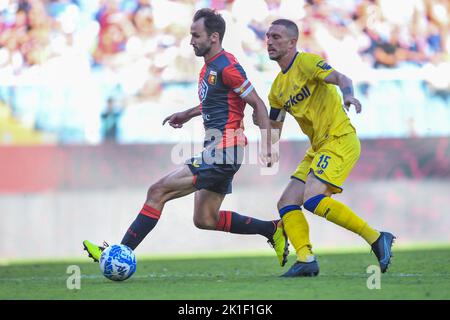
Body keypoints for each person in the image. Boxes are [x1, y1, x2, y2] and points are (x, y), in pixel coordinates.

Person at [83, 9, 289, 268]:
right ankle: (272, 229)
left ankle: (117, 256)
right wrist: (187, 113)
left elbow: (257, 102)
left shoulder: (228, 66)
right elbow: (217, 103)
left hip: (224, 151)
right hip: (220, 151)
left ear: (213, 37)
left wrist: (268, 144)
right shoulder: (210, 69)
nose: (191, 40)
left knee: (157, 191)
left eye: (195, 35)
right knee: (205, 219)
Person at [263, 19, 396, 277]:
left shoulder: (307, 62)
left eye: (276, 37)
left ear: (292, 42)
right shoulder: (277, 89)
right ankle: (305, 259)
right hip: (318, 147)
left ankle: (377, 238)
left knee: (312, 198)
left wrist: (348, 94)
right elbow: (275, 125)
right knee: (287, 202)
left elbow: (341, 78)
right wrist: (269, 143)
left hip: (339, 138)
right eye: (268, 36)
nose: (269, 41)